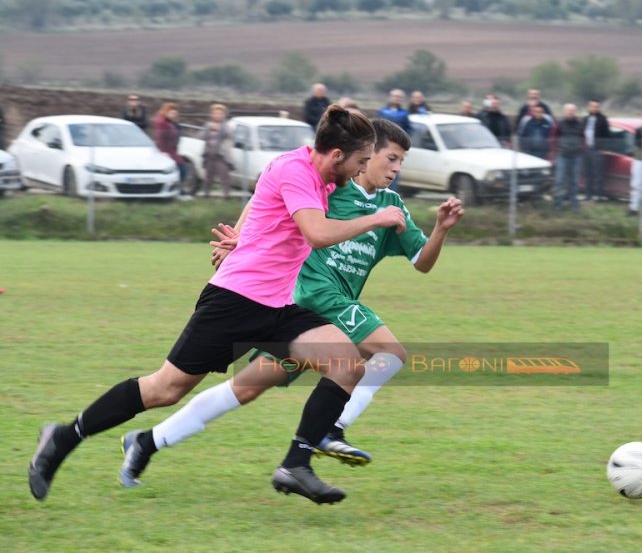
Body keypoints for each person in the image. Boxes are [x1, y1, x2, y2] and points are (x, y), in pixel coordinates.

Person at [28, 107, 409, 505]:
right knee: (164, 389)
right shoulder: (297, 170)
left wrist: (242, 235)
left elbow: (263, 198)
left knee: (346, 362)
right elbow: (316, 233)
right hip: (234, 302)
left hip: (278, 306)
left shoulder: (318, 175)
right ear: (335, 156)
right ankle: (63, 436)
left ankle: (295, 465)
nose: (361, 170)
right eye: (360, 161)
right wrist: (377, 219)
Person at [117, 119, 464, 486]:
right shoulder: (330, 185)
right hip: (313, 295)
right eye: (390, 158)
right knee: (390, 352)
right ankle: (331, 429)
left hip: (303, 317)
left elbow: (422, 262)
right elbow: (268, 199)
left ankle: (147, 441)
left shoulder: (392, 206)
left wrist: (441, 229)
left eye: (401, 163)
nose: (396, 169)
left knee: (247, 387)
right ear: (367, 153)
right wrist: (243, 237)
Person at [152, 103, 191, 201]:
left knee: (181, 170)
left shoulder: (172, 123)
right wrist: (163, 151)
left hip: (173, 150)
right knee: (180, 170)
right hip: (166, 151)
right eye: (171, 113)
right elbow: (160, 138)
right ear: (166, 112)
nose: (173, 115)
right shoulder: (163, 124)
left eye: (175, 113)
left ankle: (177, 191)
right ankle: (176, 191)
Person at [552, 103, 584, 212]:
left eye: (572, 110)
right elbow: (553, 138)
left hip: (576, 156)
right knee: (559, 181)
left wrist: (581, 150)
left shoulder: (579, 124)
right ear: (564, 111)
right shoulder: (559, 124)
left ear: (575, 112)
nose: (570, 112)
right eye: (568, 110)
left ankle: (574, 204)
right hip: (563, 156)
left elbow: (583, 138)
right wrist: (555, 152)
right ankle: (558, 204)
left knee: (574, 182)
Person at [200, 103, 234, 199]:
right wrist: (209, 129)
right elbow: (201, 136)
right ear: (212, 114)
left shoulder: (226, 125)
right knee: (208, 177)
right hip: (210, 154)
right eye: (216, 113)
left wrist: (219, 129)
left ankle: (226, 196)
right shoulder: (208, 125)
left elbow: (229, 134)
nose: (218, 115)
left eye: (220, 113)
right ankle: (206, 195)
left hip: (221, 156)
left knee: (224, 176)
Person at [582, 100, 611, 201]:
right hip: (586, 149)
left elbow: (607, 135)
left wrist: (603, 148)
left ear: (599, 108)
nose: (594, 108)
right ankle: (588, 195)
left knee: (598, 174)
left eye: (596, 106)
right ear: (589, 107)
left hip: (597, 150)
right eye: (592, 106)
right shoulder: (585, 119)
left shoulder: (603, 119)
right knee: (588, 174)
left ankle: (599, 196)